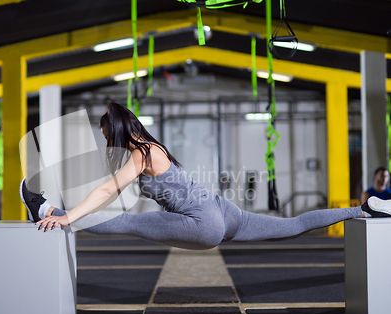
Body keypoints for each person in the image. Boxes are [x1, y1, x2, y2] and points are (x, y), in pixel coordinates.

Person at [20, 102, 391, 250]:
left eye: (105, 135)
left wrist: (69, 215)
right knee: (291, 224)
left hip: (203, 222)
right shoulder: (155, 147)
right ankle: (363, 210)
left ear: (115, 130)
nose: (106, 142)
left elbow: (107, 190)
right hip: (222, 210)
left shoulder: (140, 153)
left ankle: (48, 211)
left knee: (124, 221)